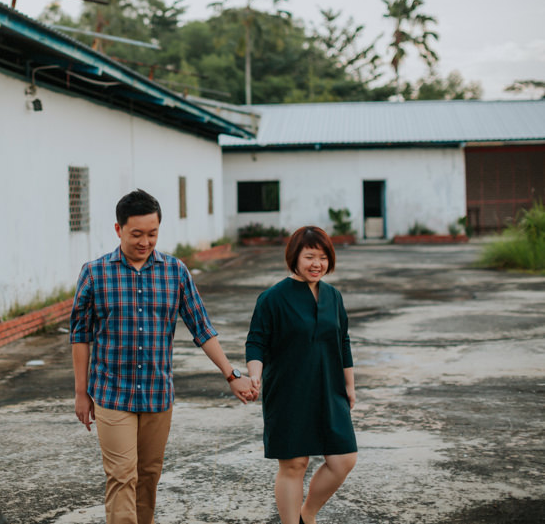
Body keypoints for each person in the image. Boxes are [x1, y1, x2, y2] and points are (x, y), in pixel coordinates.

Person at [70, 189, 255, 524]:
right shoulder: (95, 274)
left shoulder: (175, 272)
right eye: (136, 234)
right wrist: (81, 393)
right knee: (122, 476)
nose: (145, 242)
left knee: (148, 476)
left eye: (152, 234)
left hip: (157, 395)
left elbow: (202, 329)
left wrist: (232, 375)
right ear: (118, 230)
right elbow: (80, 337)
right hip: (112, 393)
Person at [244, 226, 357, 524]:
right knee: (295, 464)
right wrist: (254, 375)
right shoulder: (272, 298)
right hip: (289, 391)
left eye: (322, 257)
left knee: (344, 459)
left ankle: (307, 514)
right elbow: (256, 341)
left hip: (330, 389)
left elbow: (343, 341)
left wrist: (349, 386)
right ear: (294, 257)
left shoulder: (333, 296)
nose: (316, 264)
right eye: (309, 256)